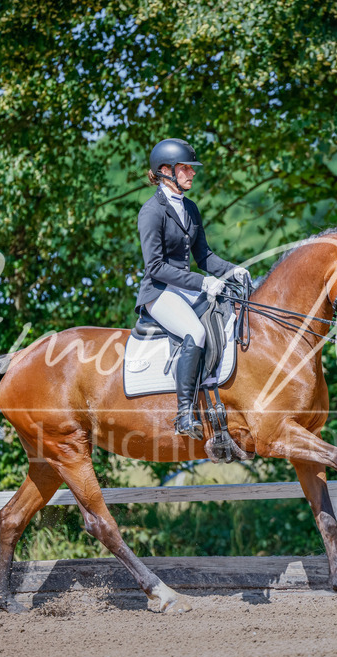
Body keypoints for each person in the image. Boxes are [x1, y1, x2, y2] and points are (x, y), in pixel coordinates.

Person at [135, 138, 249, 440]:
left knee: (228, 317)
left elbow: (204, 257)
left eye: (190, 168)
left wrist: (232, 270)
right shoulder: (151, 212)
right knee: (195, 333)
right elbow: (155, 267)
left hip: (183, 288)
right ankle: (184, 414)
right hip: (158, 292)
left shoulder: (190, 208)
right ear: (166, 171)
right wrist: (202, 282)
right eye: (185, 168)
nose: (192, 173)